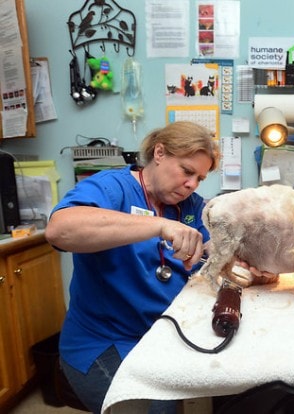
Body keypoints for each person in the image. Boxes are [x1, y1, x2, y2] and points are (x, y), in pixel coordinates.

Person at [45, 121, 220, 414]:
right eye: (187, 171)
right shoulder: (112, 188)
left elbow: (213, 245)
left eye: (200, 178)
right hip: (103, 343)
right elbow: (59, 231)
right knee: (157, 410)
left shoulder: (191, 205)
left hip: (161, 338)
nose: (192, 184)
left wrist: (231, 252)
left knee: (219, 392)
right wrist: (159, 225)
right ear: (160, 153)